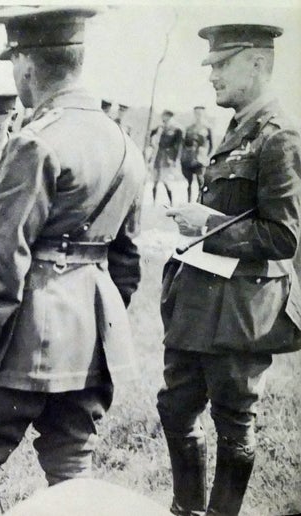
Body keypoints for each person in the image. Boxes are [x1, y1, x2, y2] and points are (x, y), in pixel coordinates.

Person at [0, 7, 147, 516]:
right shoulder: (124, 144)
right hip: (92, 341)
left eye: (13, 62)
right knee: (72, 466)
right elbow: (127, 264)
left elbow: (2, 270)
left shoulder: (33, 141)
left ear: (26, 63)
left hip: (25, 342)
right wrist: (90, 324)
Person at [159, 24, 301, 516]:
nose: (212, 76)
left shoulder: (279, 135)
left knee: (233, 420)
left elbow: (284, 238)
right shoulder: (240, 125)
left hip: (242, 311)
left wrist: (209, 224)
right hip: (203, 303)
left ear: (258, 63)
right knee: (175, 407)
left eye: (222, 65)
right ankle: (187, 510)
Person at [149, 109, 183, 206]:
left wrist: (175, 159)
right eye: (163, 116)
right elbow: (150, 135)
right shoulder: (160, 128)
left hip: (167, 158)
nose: (164, 118)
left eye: (167, 116)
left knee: (166, 181)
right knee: (155, 181)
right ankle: (153, 202)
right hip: (158, 156)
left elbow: (178, 146)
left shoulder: (176, 129)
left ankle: (171, 202)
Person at [180, 106, 213, 202]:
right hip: (189, 159)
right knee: (189, 182)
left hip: (201, 159)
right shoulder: (189, 128)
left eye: (200, 113)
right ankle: (188, 201)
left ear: (203, 114)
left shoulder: (207, 128)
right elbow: (184, 144)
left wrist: (208, 157)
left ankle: (200, 201)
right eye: (196, 113)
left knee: (201, 181)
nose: (198, 115)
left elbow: (212, 145)